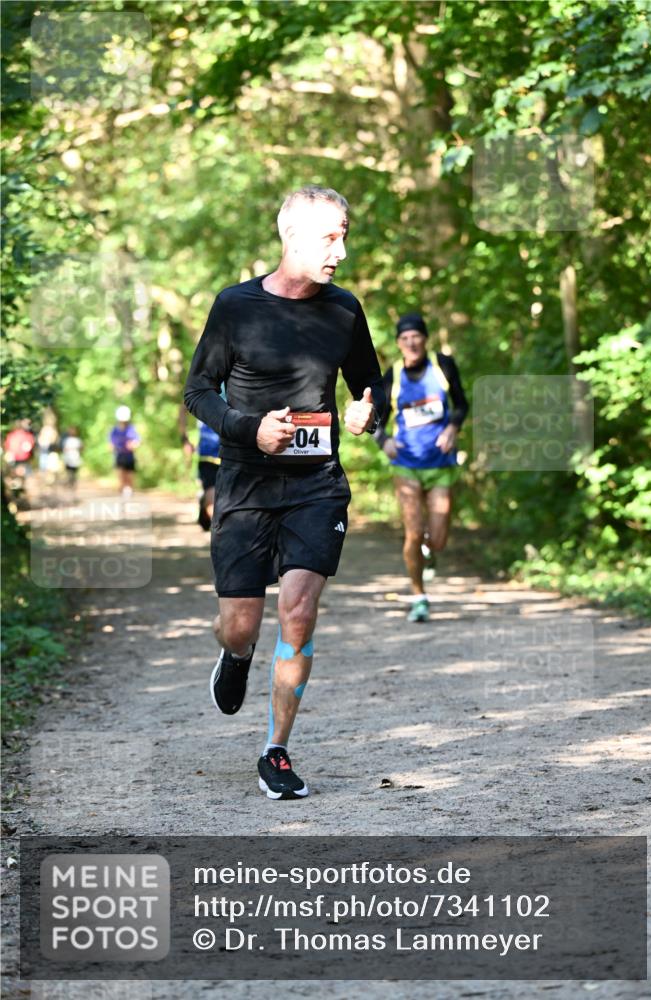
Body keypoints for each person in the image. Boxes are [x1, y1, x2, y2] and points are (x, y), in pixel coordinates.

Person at [184, 185, 385, 801]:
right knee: (239, 626)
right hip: (246, 481)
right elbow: (198, 392)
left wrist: (367, 414)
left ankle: (276, 751)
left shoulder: (345, 311)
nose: (341, 252)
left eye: (345, 234)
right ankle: (237, 655)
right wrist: (250, 429)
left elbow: (371, 387)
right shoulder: (235, 306)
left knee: (297, 610)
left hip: (317, 486)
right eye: (330, 237)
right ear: (291, 236)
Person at [375, 313, 468, 622]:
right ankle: (419, 596)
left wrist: (453, 428)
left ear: (425, 339)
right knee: (413, 532)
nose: (412, 342)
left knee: (438, 539)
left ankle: (430, 552)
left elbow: (462, 404)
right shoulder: (394, 375)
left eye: (417, 336)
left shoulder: (442, 366)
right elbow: (376, 417)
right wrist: (382, 440)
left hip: (441, 464)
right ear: (399, 343)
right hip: (406, 464)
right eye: (405, 338)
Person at [178, 403, 222, 531]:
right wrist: (184, 439)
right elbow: (183, 408)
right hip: (208, 457)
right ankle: (219, 533)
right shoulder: (206, 384)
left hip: (236, 456)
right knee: (212, 498)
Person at [109, 405, 140, 497]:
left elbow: (137, 440)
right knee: (121, 476)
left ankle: (129, 492)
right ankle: (122, 495)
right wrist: (112, 447)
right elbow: (111, 443)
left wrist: (133, 444)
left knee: (130, 477)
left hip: (129, 455)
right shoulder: (115, 430)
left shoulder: (131, 428)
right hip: (119, 455)